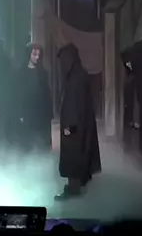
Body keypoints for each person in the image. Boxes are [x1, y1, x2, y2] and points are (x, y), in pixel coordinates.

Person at [55, 44, 101, 200]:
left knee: (73, 155)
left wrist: (70, 127)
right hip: (79, 125)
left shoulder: (76, 78)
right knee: (78, 153)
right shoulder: (78, 74)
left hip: (74, 126)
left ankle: (73, 188)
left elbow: (75, 105)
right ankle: (77, 184)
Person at [11, 43, 52, 153]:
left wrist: (48, 114)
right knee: (26, 144)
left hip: (40, 114)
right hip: (26, 114)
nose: (37, 57)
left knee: (40, 144)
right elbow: (17, 95)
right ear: (28, 54)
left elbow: (47, 95)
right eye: (34, 54)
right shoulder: (20, 73)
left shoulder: (43, 73)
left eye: (39, 55)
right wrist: (19, 113)